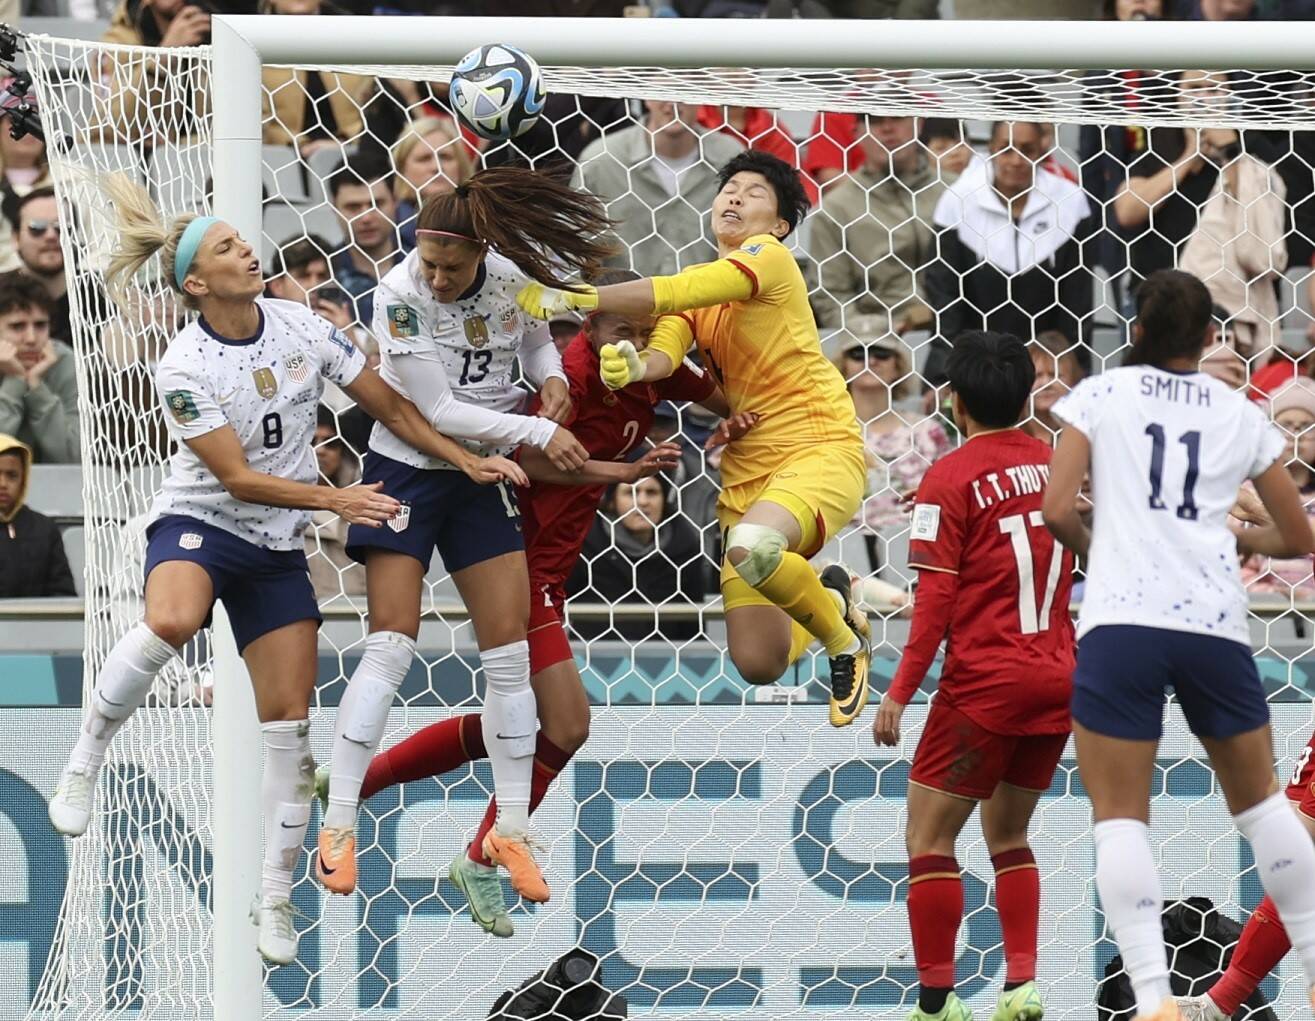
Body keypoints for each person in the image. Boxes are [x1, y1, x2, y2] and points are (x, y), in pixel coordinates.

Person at [44, 173, 522, 967]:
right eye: (228, 245)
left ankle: (273, 892)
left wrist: (462, 460)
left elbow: (393, 408)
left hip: (276, 546)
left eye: (242, 235)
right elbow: (237, 479)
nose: (246, 245)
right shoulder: (183, 367)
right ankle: (85, 757)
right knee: (170, 620)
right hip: (204, 521)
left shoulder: (302, 327)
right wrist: (335, 498)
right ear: (197, 282)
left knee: (288, 731)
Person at [316, 269, 727, 937]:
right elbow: (524, 455)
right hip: (521, 558)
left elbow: (713, 390)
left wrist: (745, 413)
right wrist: (615, 471)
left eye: (646, 329)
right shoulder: (575, 372)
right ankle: (484, 849)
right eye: (622, 328)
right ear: (589, 329)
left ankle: (371, 788)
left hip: (555, 568)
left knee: (521, 722)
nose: (638, 341)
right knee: (564, 723)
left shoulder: (648, 360)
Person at [316, 166, 615, 913]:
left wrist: (555, 383)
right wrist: (538, 429)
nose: (438, 277)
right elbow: (438, 407)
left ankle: (509, 829)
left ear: (483, 254)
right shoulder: (397, 293)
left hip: (484, 475)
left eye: (453, 266)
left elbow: (540, 345)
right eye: (429, 262)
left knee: (508, 654)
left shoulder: (510, 277)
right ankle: (339, 819)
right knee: (391, 643)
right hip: (408, 471)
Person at [1042, 268, 1315, 1021]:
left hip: (1121, 623)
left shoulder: (1097, 396)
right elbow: (1296, 536)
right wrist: (1236, 535)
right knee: (1262, 809)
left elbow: (1057, 509)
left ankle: (1156, 998)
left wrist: (1105, 553)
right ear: (1207, 339)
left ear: (1133, 332)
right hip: (1211, 624)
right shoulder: (1236, 414)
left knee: (1121, 817)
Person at [518, 149, 873, 726]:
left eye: (754, 192)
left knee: (755, 547)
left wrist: (582, 297)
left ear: (781, 224)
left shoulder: (770, 258)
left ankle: (843, 642)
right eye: (728, 187)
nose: (733, 196)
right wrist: (634, 367)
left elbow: (671, 295)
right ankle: (832, 600)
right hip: (746, 467)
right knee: (760, 661)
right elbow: (666, 348)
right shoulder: (699, 295)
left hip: (817, 445)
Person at [874, 330, 1073, 1021]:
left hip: (985, 679)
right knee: (1008, 834)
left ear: (953, 401)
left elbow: (933, 603)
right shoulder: (1054, 465)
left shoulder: (950, 476)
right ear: (1024, 396)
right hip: (1056, 674)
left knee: (927, 839)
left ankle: (935, 1000)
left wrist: (898, 692)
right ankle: (1021, 984)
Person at [925, 121, 1094, 386]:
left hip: (1045, 370)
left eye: (1027, 149)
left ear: (1042, 149)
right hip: (977, 366)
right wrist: (943, 379)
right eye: (1006, 149)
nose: (1017, 160)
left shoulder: (1069, 203)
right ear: (991, 149)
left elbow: (1077, 304)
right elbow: (945, 301)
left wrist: (1077, 374)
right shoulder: (957, 202)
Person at [571, 100, 744, 278]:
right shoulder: (601, 160)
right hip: (620, 303)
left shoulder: (731, 158)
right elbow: (572, 250)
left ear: (701, 95)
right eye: (664, 88)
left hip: (709, 302)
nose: (673, 103)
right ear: (646, 96)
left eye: (684, 90)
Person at [810, 114, 944, 334]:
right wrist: (870, 333)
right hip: (877, 345)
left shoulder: (953, 192)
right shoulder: (838, 207)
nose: (887, 129)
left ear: (918, 124)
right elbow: (831, 296)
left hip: (958, 333)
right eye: (874, 121)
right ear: (857, 134)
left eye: (897, 117)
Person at [837, 318, 951, 574]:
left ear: (898, 365)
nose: (870, 361)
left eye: (881, 353)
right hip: (843, 548)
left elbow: (946, 497)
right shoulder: (827, 432)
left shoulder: (926, 431)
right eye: (858, 353)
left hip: (912, 551)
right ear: (842, 366)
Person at [1239, 379, 1315, 599]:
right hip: (1266, 609)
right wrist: (1269, 593)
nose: (1295, 435)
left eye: (1306, 427)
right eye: (1286, 425)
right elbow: (1239, 560)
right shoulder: (1250, 493)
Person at [0, 271, 78, 463]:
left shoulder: (63, 361)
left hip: (57, 488)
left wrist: (36, 388)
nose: (31, 339)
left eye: (40, 325)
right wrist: (15, 381)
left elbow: (74, 456)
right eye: (17, 327)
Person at [0, 433, 76, 597]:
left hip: (35, 623)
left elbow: (63, 595)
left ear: (24, 479)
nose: (3, 484)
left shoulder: (44, 529)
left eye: (12, 476)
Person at [328, 154, 400, 327]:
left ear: (395, 202)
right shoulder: (323, 276)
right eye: (353, 207)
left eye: (376, 204)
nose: (366, 217)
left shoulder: (420, 267)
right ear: (334, 208)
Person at [392, 116, 475, 251]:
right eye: (424, 159)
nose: (437, 167)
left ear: (461, 164)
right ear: (402, 168)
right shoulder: (387, 228)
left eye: (445, 157)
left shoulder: (483, 223)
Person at [7, 188, 71, 342]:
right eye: (37, 228)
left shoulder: (103, 291)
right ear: (15, 238)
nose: (51, 236)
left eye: (60, 227)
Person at [1023, 330, 1087, 444]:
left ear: (1072, 381)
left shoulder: (1083, 434)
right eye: (1037, 376)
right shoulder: (1012, 432)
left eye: (1055, 375)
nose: (1045, 384)